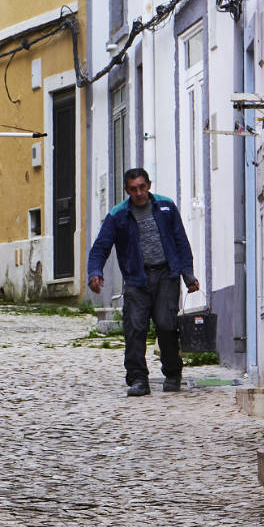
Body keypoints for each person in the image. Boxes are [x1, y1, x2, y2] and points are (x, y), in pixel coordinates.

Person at [86, 168, 200, 396]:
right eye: (133, 189)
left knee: (166, 326)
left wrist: (188, 274)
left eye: (141, 187)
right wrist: (95, 272)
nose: (138, 193)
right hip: (137, 279)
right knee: (135, 328)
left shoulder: (166, 207)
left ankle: (172, 372)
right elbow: (101, 246)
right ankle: (138, 379)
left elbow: (181, 242)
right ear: (127, 190)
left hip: (166, 276)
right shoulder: (118, 215)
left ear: (148, 184)